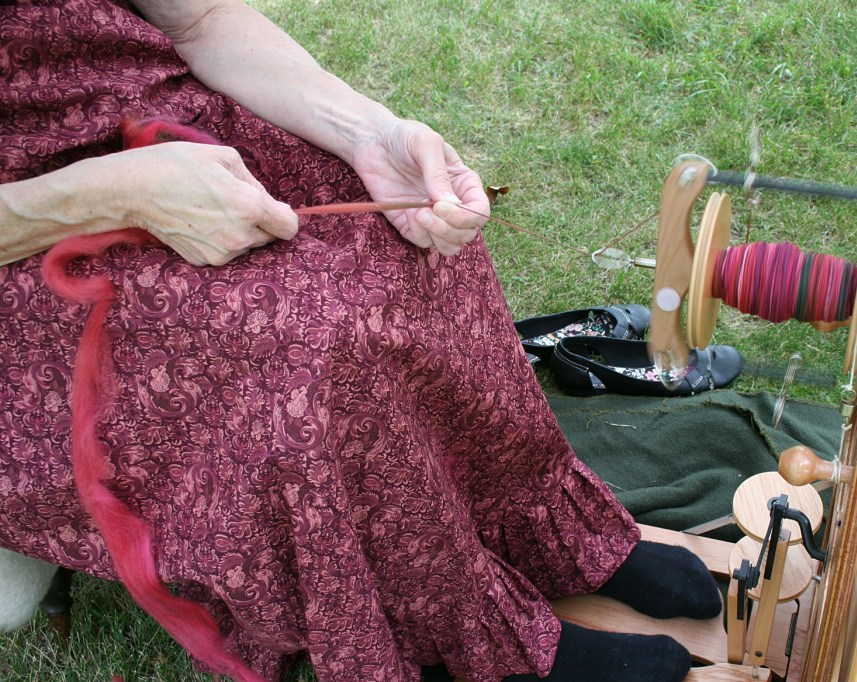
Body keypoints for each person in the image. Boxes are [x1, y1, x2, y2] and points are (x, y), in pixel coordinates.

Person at [0, 1, 721, 680]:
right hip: (35, 226)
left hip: (164, 136)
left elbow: (199, 16)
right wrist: (121, 193)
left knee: (417, 241)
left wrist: (368, 133)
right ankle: (476, 639)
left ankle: (548, 530)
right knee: (311, 346)